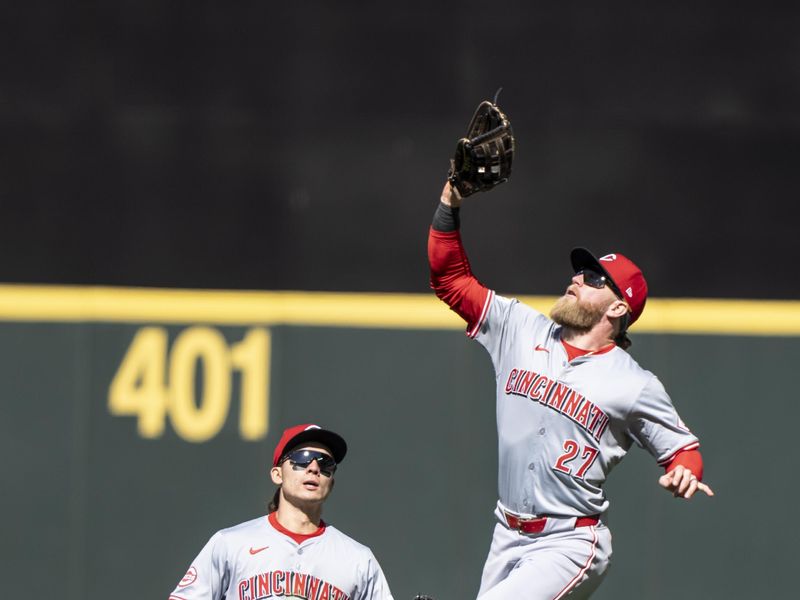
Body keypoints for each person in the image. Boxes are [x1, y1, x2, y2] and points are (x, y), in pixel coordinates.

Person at [427, 181, 714, 599]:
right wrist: (448, 204)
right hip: (506, 532)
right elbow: (449, 278)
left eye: (594, 278)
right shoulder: (518, 327)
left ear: (618, 307)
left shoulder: (634, 384)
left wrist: (685, 471)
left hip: (570, 541)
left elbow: (682, 451)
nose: (577, 278)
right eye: (580, 271)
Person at [169, 423, 395, 600]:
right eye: (301, 458)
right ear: (277, 474)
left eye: (325, 463)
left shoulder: (358, 559)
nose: (314, 468)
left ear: (332, 482)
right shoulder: (230, 543)